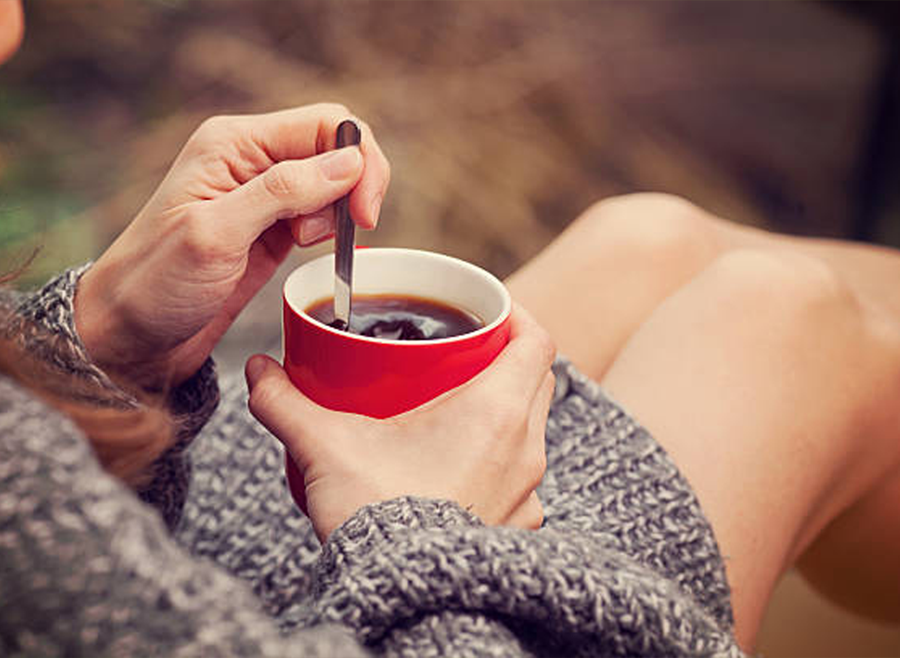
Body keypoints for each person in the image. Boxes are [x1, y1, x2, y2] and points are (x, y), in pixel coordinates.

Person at [2, 2, 899, 655]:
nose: (14, 22)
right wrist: (429, 534)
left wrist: (97, 346)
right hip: (383, 611)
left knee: (647, 235)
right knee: (782, 317)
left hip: (162, 562)